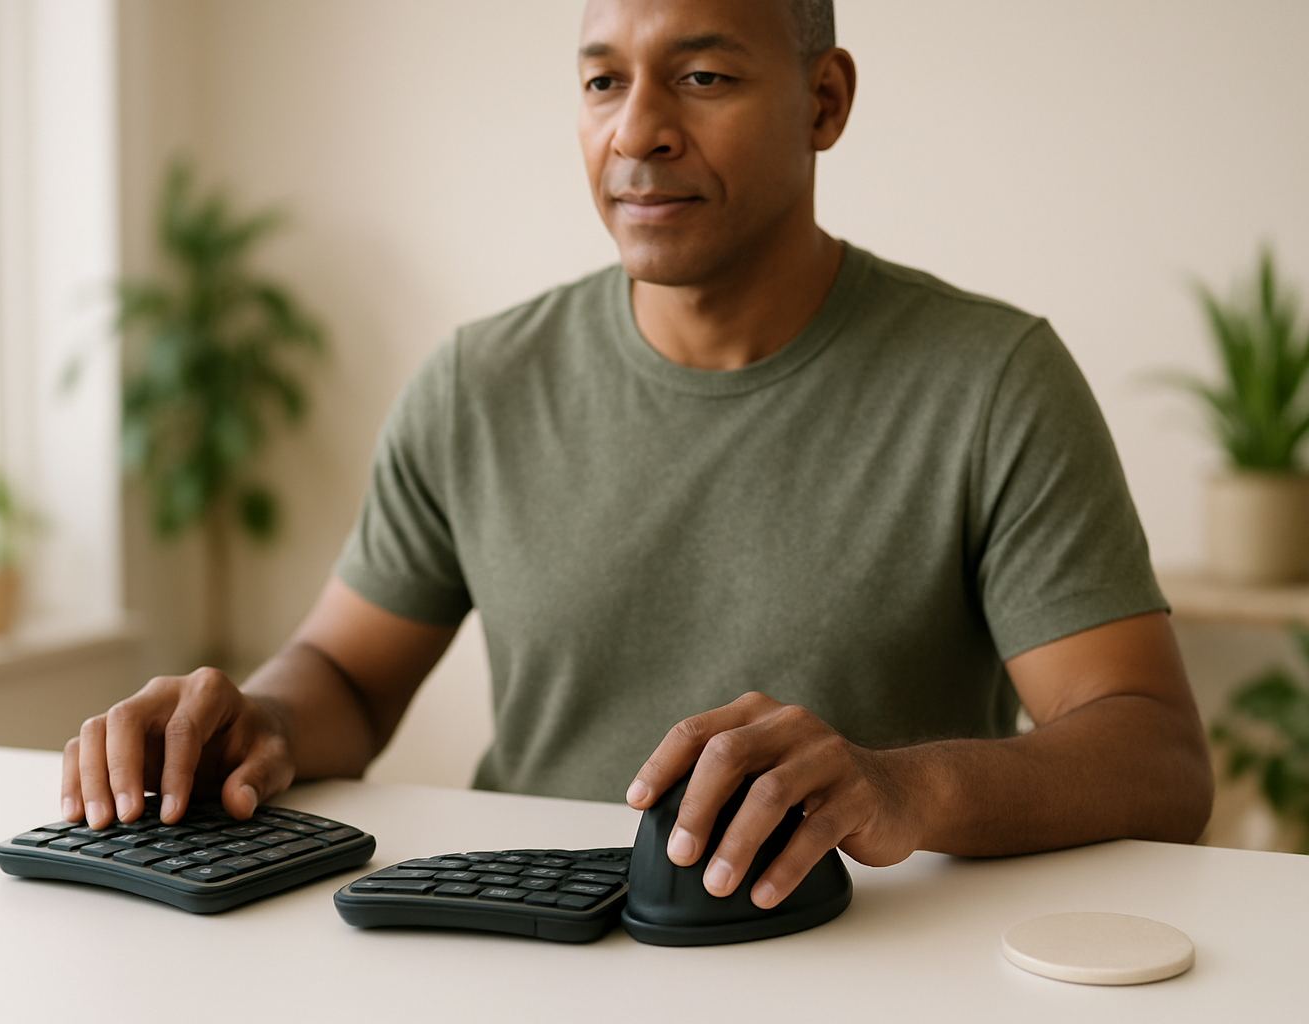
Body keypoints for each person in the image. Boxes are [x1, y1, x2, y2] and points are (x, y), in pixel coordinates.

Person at [64, 0, 1213, 912]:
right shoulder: (477, 383)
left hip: (854, 954)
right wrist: (259, 717)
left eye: (703, 77)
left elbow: (1157, 754)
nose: (637, 130)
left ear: (825, 99)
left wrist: (898, 784)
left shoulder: (991, 379)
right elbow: (350, 677)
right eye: (604, 80)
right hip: (520, 941)